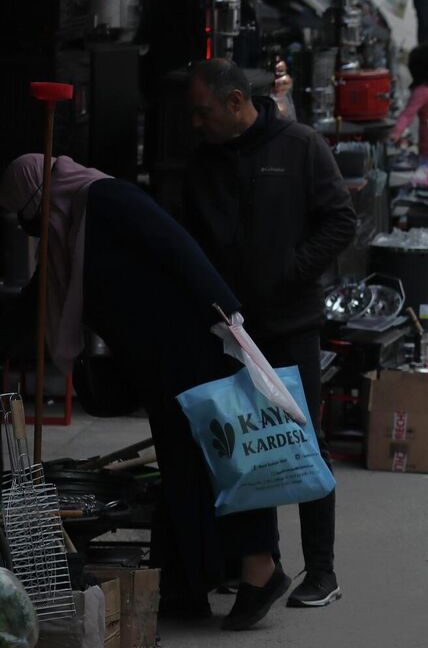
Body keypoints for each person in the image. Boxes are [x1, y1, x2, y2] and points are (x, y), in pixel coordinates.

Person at [0, 155, 284, 630]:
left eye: (30, 217)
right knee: (180, 471)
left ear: (38, 198)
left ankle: (262, 572)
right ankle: (183, 585)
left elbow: (176, 246)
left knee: (226, 460)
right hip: (159, 361)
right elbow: (38, 298)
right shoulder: (69, 229)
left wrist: (228, 319)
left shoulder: (106, 199)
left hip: (196, 346)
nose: (33, 231)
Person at [179, 58, 356, 613]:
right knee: (244, 444)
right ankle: (263, 563)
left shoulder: (300, 146)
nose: (196, 123)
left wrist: (290, 271)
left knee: (302, 442)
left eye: (204, 111)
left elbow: (340, 221)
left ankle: (322, 570)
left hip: (290, 323)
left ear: (236, 103)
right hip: (230, 330)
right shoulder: (204, 162)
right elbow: (191, 239)